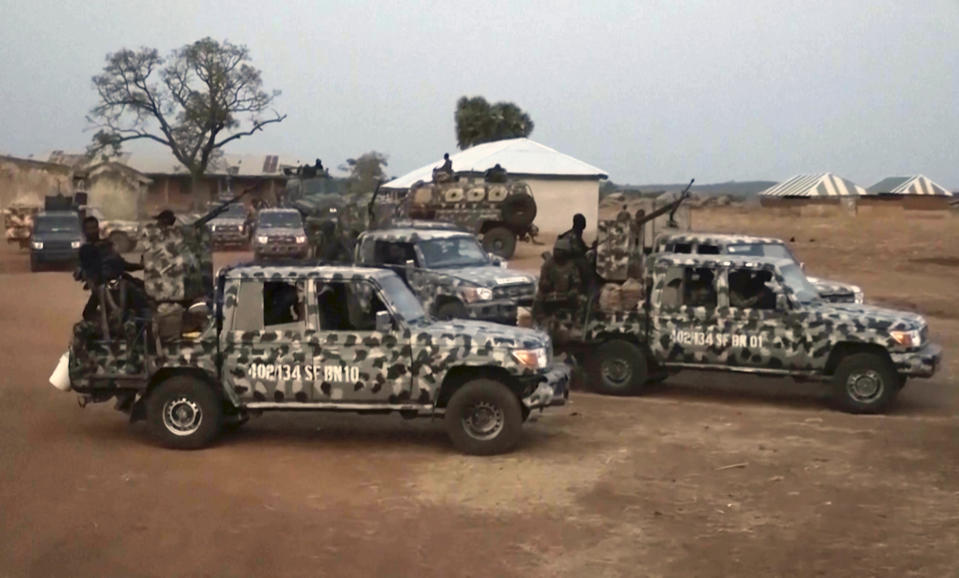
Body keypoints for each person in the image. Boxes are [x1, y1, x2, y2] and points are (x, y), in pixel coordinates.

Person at [77, 216, 144, 322]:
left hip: (120, 281)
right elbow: (84, 270)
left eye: (94, 228)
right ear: (84, 231)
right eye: (89, 229)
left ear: (98, 229)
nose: (92, 231)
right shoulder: (85, 250)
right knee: (88, 314)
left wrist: (140, 266)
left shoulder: (107, 245)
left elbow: (122, 264)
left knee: (143, 300)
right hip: (101, 288)